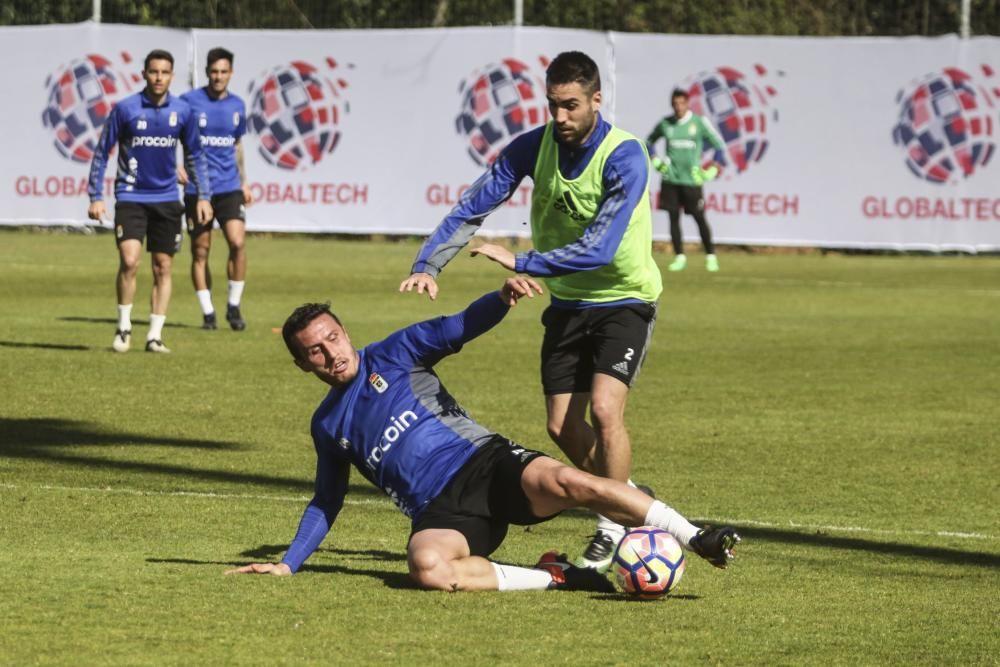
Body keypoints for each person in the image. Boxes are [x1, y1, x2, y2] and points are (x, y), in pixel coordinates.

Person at [226, 277, 741, 591]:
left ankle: (696, 536)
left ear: (345, 332)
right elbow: (325, 500)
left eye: (333, 337)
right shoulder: (327, 424)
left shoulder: (396, 352)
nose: (331, 353)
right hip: (441, 513)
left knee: (574, 482)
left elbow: (457, 326)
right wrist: (289, 564)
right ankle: (558, 577)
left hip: (487, 465)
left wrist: (501, 297)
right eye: (314, 350)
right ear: (301, 364)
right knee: (427, 568)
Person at [399, 51, 662, 572]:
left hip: (624, 298)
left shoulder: (625, 155)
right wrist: (429, 264)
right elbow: (474, 204)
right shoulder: (532, 148)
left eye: (570, 106)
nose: (560, 117)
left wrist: (520, 259)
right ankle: (631, 494)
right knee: (561, 428)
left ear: (595, 100)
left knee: (606, 412)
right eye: (552, 105)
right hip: (567, 303)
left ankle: (612, 524)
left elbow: (600, 247)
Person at [87, 49, 212, 353]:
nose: (159, 78)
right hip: (131, 196)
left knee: (163, 266)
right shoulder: (126, 109)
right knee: (130, 261)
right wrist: (95, 196)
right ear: (143, 74)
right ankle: (123, 327)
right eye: (153, 72)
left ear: (171, 76)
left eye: (164, 73)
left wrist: (203, 195)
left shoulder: (183, 111)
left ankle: (154, 335)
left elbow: (195, 154)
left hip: (168, 199)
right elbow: (103, 152)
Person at [179, 47, 253, 331]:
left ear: (230, 73)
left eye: (223, 72)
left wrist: (245, 180)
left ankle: (234, 305)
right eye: (214, 72)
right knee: (201, 250)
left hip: (230, 186)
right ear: (207, 72)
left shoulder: (237, 105)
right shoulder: (189, 102)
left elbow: (237, 145)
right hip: (198, 188)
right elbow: (171, 134)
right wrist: (176, 166)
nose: (218, 77)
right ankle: (208, 311)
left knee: (237, 242)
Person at [646, 88, 726, 273]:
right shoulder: (666, 124)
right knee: (673, 218)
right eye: (675, 104)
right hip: (671, 180)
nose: (678, 107)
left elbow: (719, 146)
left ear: (687, 103)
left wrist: (711, 170)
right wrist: (657, 161)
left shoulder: (698, 123)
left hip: (691, 181)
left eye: (682, 103)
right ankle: (679, 256)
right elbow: (649, 142)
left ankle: (710, 256)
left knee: (699, 217)